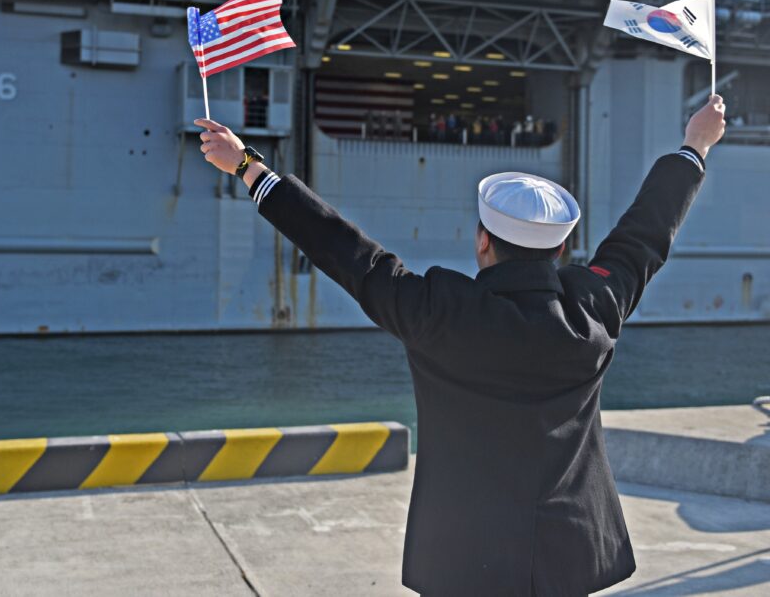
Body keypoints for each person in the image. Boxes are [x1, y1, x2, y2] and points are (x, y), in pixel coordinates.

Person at [194, 94, 726, 596]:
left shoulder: (438, 312)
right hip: (568, 556)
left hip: (462, 561)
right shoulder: (593, 308)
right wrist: (694, 146)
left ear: (482, 241)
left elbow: (348, 254)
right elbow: (644, 236)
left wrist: (249, 168)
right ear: (562, 247)